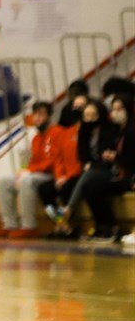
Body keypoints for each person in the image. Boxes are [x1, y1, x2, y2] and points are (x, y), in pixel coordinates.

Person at [68, 97, 134, 242]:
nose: (115, 112)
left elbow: (130, 159)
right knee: (88, 187)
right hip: (113, 172)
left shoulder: (129, 130)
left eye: (119, 109)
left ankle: (111, 227)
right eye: (114, 109)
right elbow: (83, 154)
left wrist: (114, 157)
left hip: (125, 176)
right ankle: (104, 227)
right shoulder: (119, 130)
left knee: (92, 185)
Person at [0, 102, 54, 239]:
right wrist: (24, 171)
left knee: (27, 180)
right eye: (35, 114)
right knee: (5, 181)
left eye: (41, 114)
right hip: (38, 173)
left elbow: (53, 161)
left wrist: (30, 171)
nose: (37, 118)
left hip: (52, 174)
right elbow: (34, 162)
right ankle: (10, 225)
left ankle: (29, 226)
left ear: (49, 116)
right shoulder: (36, 138)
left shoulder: (56, 132)